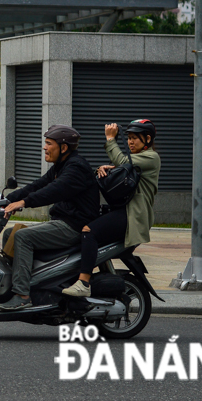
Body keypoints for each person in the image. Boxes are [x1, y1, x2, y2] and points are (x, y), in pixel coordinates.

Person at [0, 125, 101, 311]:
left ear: (63, 148)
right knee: (9, 236)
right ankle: (27, 282)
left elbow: (53, 191)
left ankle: (22, 295)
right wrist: (4, 199)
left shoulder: (76, 168)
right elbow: (38, 185)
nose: (44, 147)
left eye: (49, 143)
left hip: (73, 225)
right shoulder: (60, 166)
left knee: (22, 237)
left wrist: (24, 203)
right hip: (63, 221)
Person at [62, 119, 161, 297]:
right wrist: (102, 169)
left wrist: (110, 139)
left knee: (89, 231)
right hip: (121, 210)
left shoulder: (151, 158)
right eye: (129, 138)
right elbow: (121, 168)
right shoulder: (137, 159)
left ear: (147, 139)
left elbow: (123, 161)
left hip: (132, 215)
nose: (130, 142)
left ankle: (83, 283)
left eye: (135, 138)